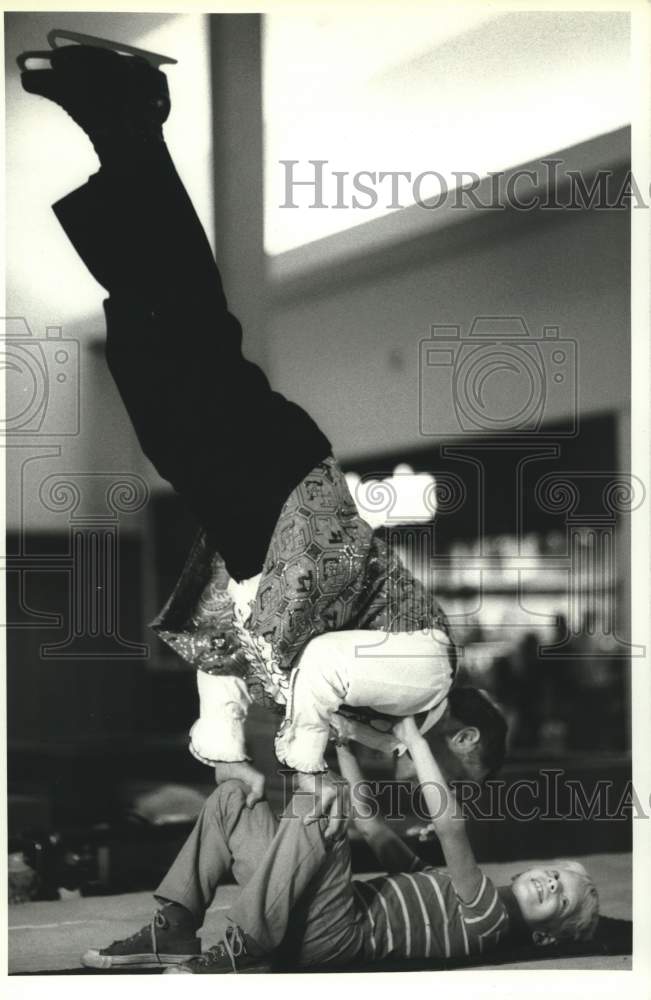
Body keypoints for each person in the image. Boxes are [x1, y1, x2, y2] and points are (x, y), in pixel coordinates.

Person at [17, 37, 506, 794]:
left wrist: (301, 762)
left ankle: (119, 124)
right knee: (182, 325)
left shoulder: (388, 720)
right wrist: (304, 760)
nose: (433, 779)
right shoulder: (426, 681)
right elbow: (319, 665)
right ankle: (126, 117)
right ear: (465, 733)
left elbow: (261, 654)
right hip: (279, 491)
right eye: (456, 773)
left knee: (155, 336)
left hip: (266, 516)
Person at [80, 722, 598, 972]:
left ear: (548, 937)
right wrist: (344, 743)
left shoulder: (489, 918)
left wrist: (416, 744)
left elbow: (452, 827)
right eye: (555, 874)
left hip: (334, 934)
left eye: (562, 897)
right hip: (311, 913)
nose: (550, 882)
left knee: (317, 810)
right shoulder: (447, 891)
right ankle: (173, 929)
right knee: (233, 796)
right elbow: (370, 825)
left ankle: (244, 951)